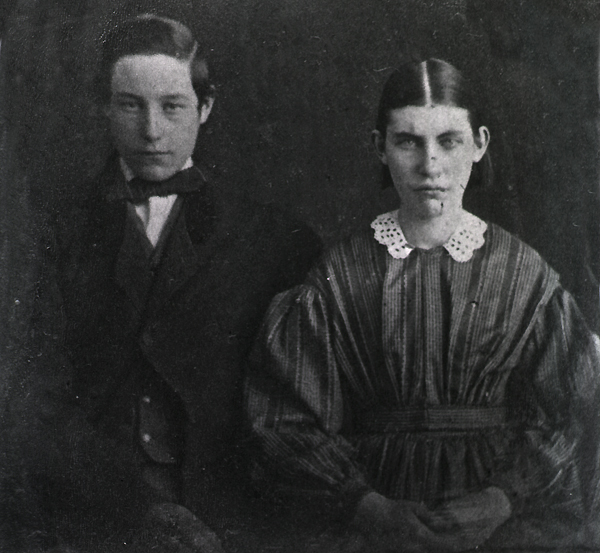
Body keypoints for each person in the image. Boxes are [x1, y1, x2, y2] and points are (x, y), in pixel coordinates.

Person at [245, 58, 600, 552]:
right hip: (371, 514)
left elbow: (572, 409)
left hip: (502, 519)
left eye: (448, 141)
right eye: (408, 140)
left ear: (479, 144)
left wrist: (502, 499)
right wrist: (367, 506)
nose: (429, 165)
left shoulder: (524, 273)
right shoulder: (338, 274)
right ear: (380, 147)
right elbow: (285, 420)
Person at [3, 13, 321, 553]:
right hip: (94, 515)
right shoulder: (52, 230)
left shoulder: (273, 238)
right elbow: (33, 396)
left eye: (172, 106)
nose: (152, 131)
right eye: (130, 105)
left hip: (228, 515)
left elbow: (295, 401)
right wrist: (133, 508)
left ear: (206, 107)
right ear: (105, 107)